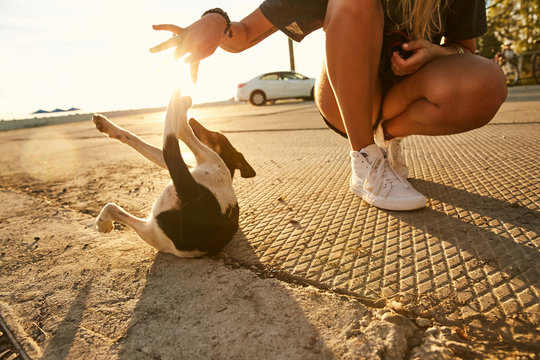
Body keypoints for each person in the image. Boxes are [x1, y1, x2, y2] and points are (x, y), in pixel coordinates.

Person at [151, 0, 507, 211]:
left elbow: (466, 50)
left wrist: (436, 51)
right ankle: (365, 158)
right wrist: (215, 21)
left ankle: (386, 136)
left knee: (487, 81)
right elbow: (243, 33)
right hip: (349, 103)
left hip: (406, 92)